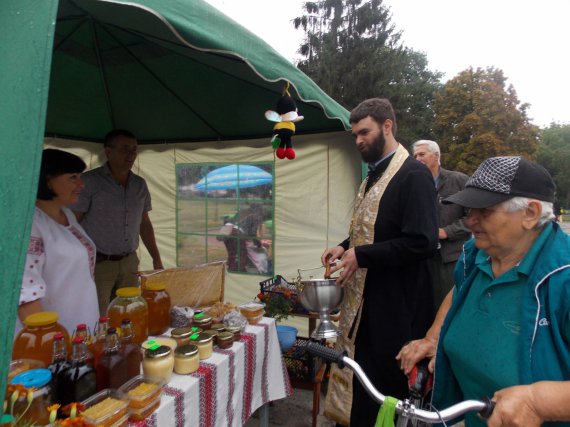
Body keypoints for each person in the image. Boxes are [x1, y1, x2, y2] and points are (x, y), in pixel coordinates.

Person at [396, 156, 570, 427]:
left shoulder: (564, 277)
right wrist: (432, 339)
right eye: (468, 211)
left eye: (484, 211)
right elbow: (458, 293)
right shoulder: (475, 256)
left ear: (530, 213)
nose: (471, 220)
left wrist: (537, 401)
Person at [321, 98, 439, 426]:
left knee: (384, 391)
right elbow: (373, 231)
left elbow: (423, 241)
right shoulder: (373, 175)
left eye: (365, 132)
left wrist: (363, 255)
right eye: (355, 134)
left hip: (397, 308)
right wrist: (344, 247)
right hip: (367, 305)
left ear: (387, 126)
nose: (358, 140)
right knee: (363, 383)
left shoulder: (412, 175)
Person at [73, 129, 163, 315]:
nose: (130, 155)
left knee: (129, 315)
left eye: (134, 150)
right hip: (98, 264)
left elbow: (144, 223)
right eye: (124, 149)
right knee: (99, 318)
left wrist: (156, 257)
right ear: (108, 151)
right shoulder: (89, 182)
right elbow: (73, 223)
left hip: (129, 262)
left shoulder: (139, 184)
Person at [17, 149, 99, 335]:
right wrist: (51, 345)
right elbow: (26, 297)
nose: (81, 184)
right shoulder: (30, 224)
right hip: (53, 338)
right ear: (47, 180)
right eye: (73, 177)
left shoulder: (67, 215)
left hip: (79, 325)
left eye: (80, 176)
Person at [413, 140, 471, 308]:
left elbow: (474, 218)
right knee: (426, 308)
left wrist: (447, 232)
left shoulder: (459, 180)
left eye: (422, 154)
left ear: (437, 155)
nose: (417, 159)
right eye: (415, 155)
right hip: (423, 258)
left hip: (452, 259)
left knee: (451, 307)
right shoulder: (414, 185)